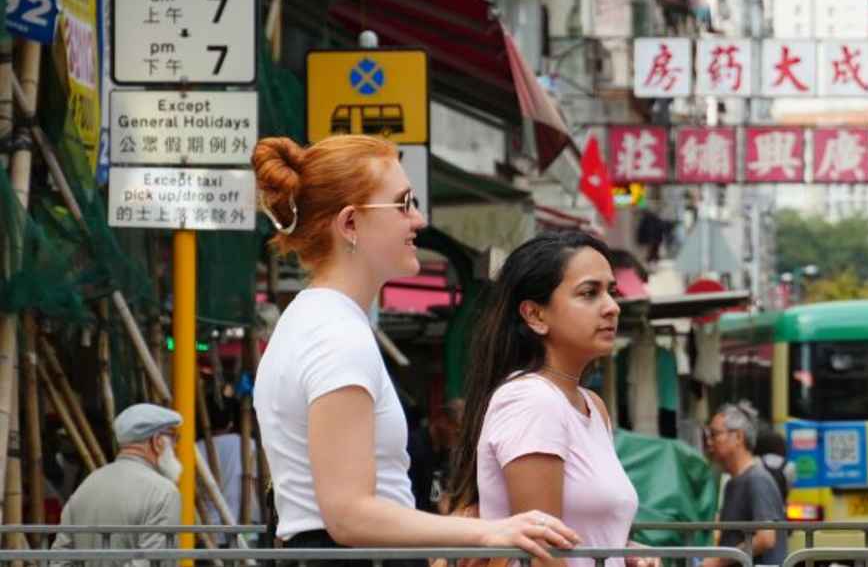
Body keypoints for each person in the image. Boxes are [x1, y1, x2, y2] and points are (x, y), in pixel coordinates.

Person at [251, 136, 577, 560]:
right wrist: (488, 533)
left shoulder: (314, 320)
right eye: (403, 204)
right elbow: (348, 514)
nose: (419, 220)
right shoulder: (335, 336)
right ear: (350, 224)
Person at [445, 231, 653, 567]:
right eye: (589, 293)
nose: (612, 307)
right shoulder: (531, 400)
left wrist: (625, 551)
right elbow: (544, 554)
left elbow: (581, 532)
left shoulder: (592, 405)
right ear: (535, 315)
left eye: (611, 292)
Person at [50, 403, 184, 566]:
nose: (176, 446)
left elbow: (59, 558)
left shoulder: (88, 484)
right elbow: (154, 562)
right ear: (157, 441)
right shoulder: (163, 491)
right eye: (174, 438)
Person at [704, 405, 787, 567]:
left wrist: (720, 561)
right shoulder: (731, 482)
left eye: (714, 434)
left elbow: (765, 538)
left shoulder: (757, 479)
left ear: (738, 437)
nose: (709, 442)